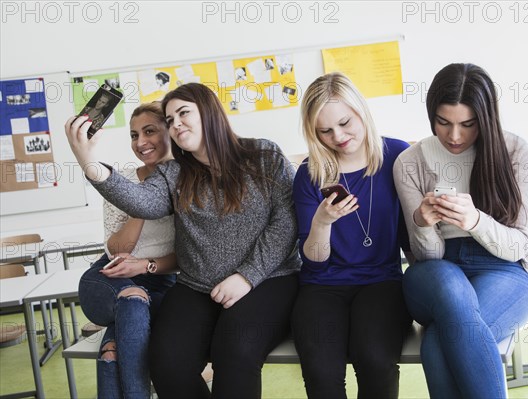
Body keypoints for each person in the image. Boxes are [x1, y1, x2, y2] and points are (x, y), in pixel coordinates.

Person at [65, 82, 301, 399]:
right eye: (170, 119)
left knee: (233, 354)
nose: (176, 124)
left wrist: (246, 277)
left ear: (209, 111)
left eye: (183, 113)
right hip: (197, 286)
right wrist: (89, 163)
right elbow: (140, 202)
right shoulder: (173, 173)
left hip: (269, 280)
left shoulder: (263, 155)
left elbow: (285, 223)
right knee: (166, 363)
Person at [393, 63, 528, 398]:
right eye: (443, 123)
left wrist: (474, 221)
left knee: (439, 342)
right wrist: (422, 223)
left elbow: (519, 246)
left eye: (467, 124)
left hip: (504, 268)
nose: (454, 136)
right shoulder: (409, 162)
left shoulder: (515, 152)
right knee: (451, 294)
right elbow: (428, 255)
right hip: (435, 270)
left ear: (485, 119)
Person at [292, 72, 413, 399]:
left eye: (345, 122)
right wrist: (322, 223)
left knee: (375, 359)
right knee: (321, 371)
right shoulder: (309, 174)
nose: (339, 136)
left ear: (361, 111)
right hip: (323, 285)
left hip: (382, 281)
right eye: (325, 131)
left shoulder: (399, 156)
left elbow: (412, 234)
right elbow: (315, 263)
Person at [78, 102, 178, 398]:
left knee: (112, 349)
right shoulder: (121, 181)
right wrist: (143, 199)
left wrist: (145, 265)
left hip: (160, 281)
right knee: (132, 298)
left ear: (171, 132)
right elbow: (117, 249)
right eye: (134, 135)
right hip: (108, 276)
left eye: (150, 131)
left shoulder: (190, 183)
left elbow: (188, 257)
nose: (141, 142)